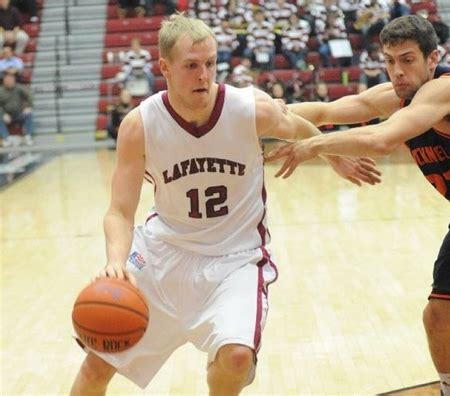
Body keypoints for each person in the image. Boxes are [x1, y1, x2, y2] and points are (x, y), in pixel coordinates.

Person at [70, 13, 381, 396]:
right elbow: (119, 210)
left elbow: (298, 125)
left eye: (211, 64)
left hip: (234, 258)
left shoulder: (251, 110)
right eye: (191, 66)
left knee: (236, 357)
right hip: (161, 254)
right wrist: (116, 261)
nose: (204, 75)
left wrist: (331, 153)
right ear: (164, 67)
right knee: (97, 361)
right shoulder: (139, 125)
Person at [266, 15, 450, 395]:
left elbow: (382, 139)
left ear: (433, 58)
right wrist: (264, 113)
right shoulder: (400, 95)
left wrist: (315, 146)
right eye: (390, 60)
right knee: (439, 316)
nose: (397, 71)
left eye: (408, 59)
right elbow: (334, 110)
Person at [0, 72, 33, 147]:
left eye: (11, 80)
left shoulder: (19, 87)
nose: (10, 82)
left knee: (29, 115)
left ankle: (28, 137)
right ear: (4, 81)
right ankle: (6, 139)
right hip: (7, 115)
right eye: (8, 81)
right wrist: (3, 114)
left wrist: (28, 106)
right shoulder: (0, 91)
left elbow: (30, 96)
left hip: (19, 113)